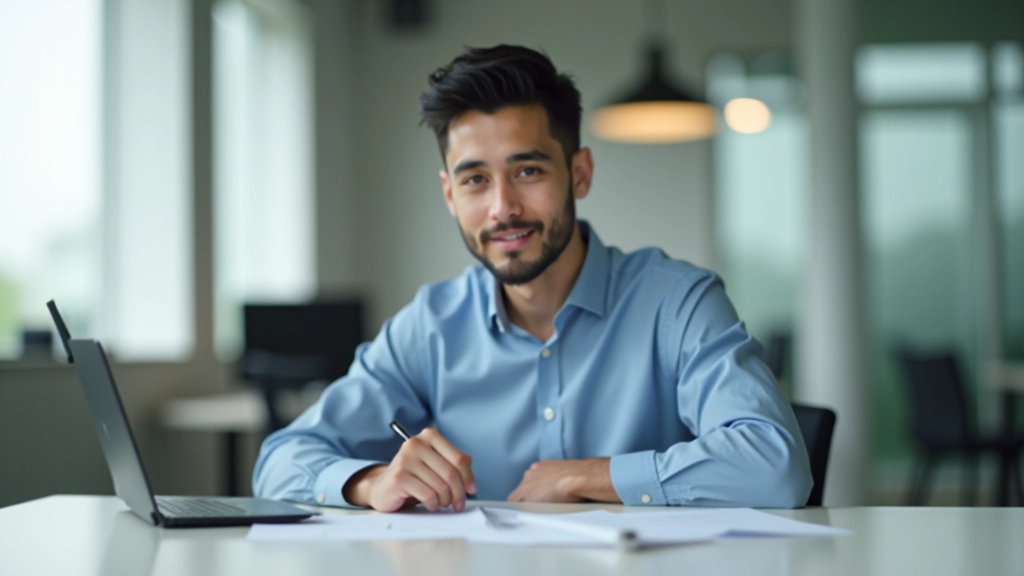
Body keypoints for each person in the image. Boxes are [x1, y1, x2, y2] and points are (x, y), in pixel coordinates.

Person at [253, 44, 812, 513]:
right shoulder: (431, 325)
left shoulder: (678, 303)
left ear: (580, 173)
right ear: (450, 194)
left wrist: (585, 477)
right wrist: (372, 481)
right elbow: (280, 462)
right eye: (475, 180)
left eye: (527, 171)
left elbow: (774, 466)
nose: (503, 208)